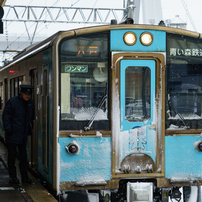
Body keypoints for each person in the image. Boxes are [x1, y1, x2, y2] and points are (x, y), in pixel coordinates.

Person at [2, 84, 35, 184]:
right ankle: (13, 177)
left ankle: (24, 177)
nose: (27, 96)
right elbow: (5, 116)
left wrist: (30, 129)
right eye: (26, 94)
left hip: (23, 136)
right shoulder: (12, 102)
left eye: (29, 94)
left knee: (23, 158)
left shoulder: (30, 103)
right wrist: (8, 129)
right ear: (21, 93)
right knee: (11, 157)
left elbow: (31, 118)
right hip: (12, 135)